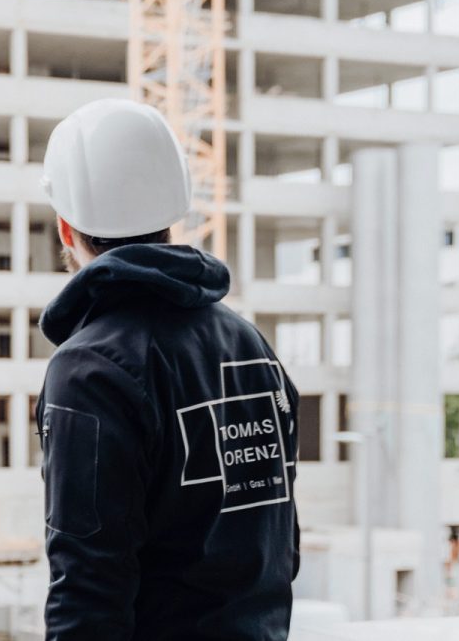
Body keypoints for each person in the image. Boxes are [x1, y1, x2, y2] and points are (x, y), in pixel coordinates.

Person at [35, 99, 300, 639]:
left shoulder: (89, 370)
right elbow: (280, 545)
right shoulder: (249, 345)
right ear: (171, 216)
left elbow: (86, 592)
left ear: (67, 229)